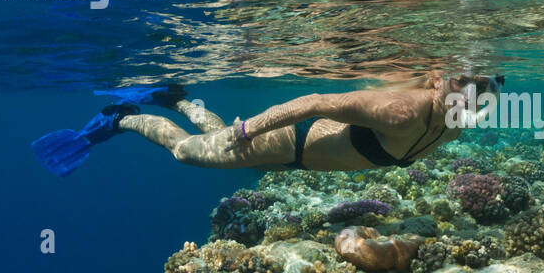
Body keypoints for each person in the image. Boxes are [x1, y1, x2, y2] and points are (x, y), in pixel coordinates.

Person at [31, 73, 502, 176]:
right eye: (463, 80)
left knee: (206, 134)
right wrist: (246, 131)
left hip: (296, 156)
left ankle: (183, 101)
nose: (474, 90)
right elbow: (315, 100)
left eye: (488, 82)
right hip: (288, 143)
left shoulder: (465, 113)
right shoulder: (399, 110)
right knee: (187, 151)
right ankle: (127, 117)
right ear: (438, 78)